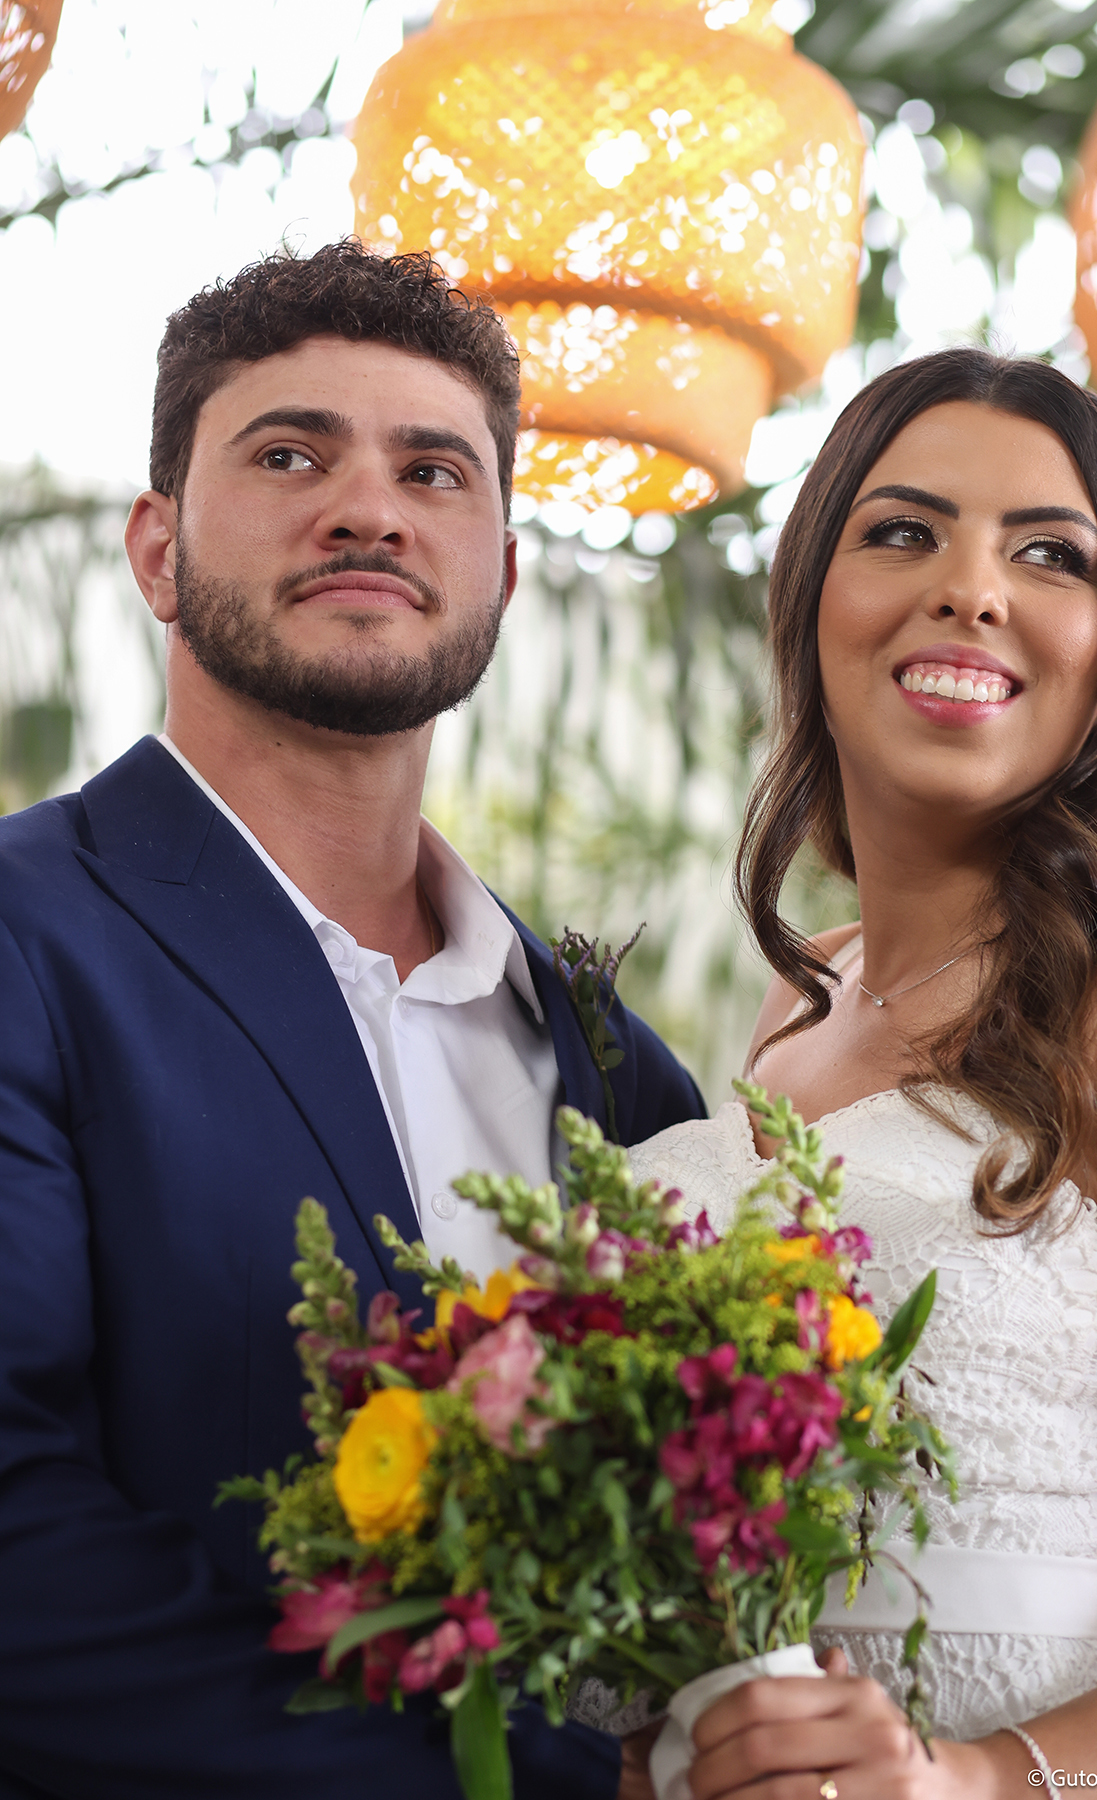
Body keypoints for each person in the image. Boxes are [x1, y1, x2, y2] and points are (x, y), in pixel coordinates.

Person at [0, 242, 705, 1799]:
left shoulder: (613, 1064)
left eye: (432, 471)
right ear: (159, 551)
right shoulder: (25, 933)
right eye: (290, 455)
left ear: (500, 573)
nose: (370, 510)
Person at [625, 347, 1097, 1796]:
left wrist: (982, 1780)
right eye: (903, 532)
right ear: (811, 601)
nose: (972, 590)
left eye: (1049, 554)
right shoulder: (795, 999)